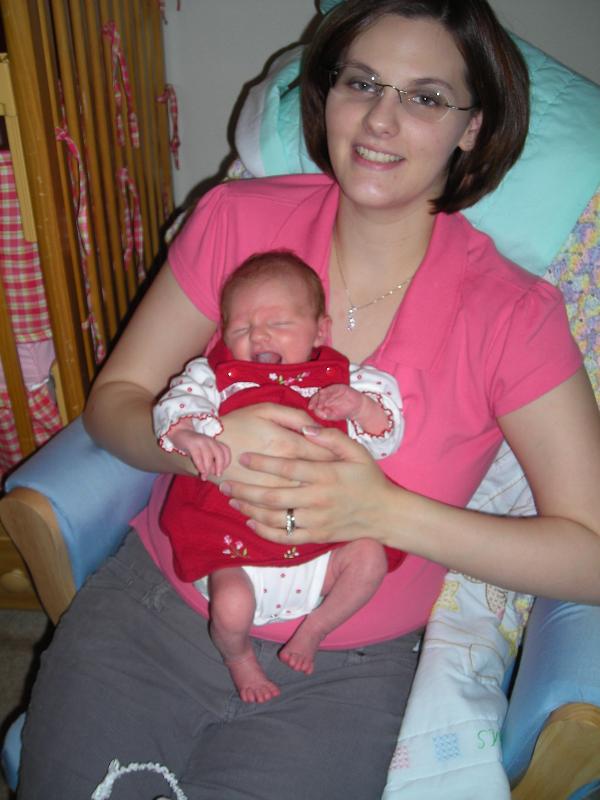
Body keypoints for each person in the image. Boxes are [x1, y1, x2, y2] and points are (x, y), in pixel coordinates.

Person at [17, 1, 600, 798]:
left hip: (344, 672)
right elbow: (116, 400)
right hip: (156, 612)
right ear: (328, 94)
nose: (381, 120)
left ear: (472, 127)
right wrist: (203, 449)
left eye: (425, 97)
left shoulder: (512, 315)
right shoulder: (237, 222)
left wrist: (385, 512)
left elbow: (589, 553)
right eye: (362, 83)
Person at [153, 250, 405, 702]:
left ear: (320, 331)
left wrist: (359, 407)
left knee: (370, 559)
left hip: (323, 540)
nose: (259, 334)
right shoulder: (216, 375)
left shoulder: (344, 381)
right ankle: (237, 657)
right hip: (234, 538)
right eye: (241, 328)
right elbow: (177, 404)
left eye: (279, 323)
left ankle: (316, 628)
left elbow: (385, 437)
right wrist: (189, 435)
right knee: (230, 609)